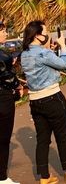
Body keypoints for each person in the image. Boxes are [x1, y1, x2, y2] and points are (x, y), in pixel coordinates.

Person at [20, 21, 66, 183]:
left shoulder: (25, 54)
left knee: (42, 139)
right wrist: (62, 47)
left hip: (35, 100)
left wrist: (50, 52)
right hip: (53, 98)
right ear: (37, 35)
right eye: (45, 31)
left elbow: (40, 66)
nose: (48, 34)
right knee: (62, 136)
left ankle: (44, 176)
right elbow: (64, 64)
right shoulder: (43, 54)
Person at [0, 21, 22, 184]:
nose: (6, 34)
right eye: (3, 31)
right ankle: (2, 177)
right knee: (3, 138)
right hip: (3, 98)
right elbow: (7, 77)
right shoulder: (2, 56)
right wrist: (17, 86)